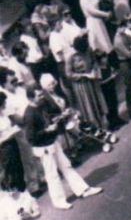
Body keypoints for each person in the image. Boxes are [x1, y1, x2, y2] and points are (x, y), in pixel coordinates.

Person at [22, 78, 103, 210]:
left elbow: (50, 116)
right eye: (39, 95)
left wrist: (59, 117)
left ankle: (83, 189)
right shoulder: (29, 114)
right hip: (44, 148)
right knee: (52, 174)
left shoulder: (41, 105)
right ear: (31, 98)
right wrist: (46, 131)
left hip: (53, 142)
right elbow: (31, 138)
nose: (42, 97)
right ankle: (59, 201)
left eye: (42, 94)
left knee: (66, 166)